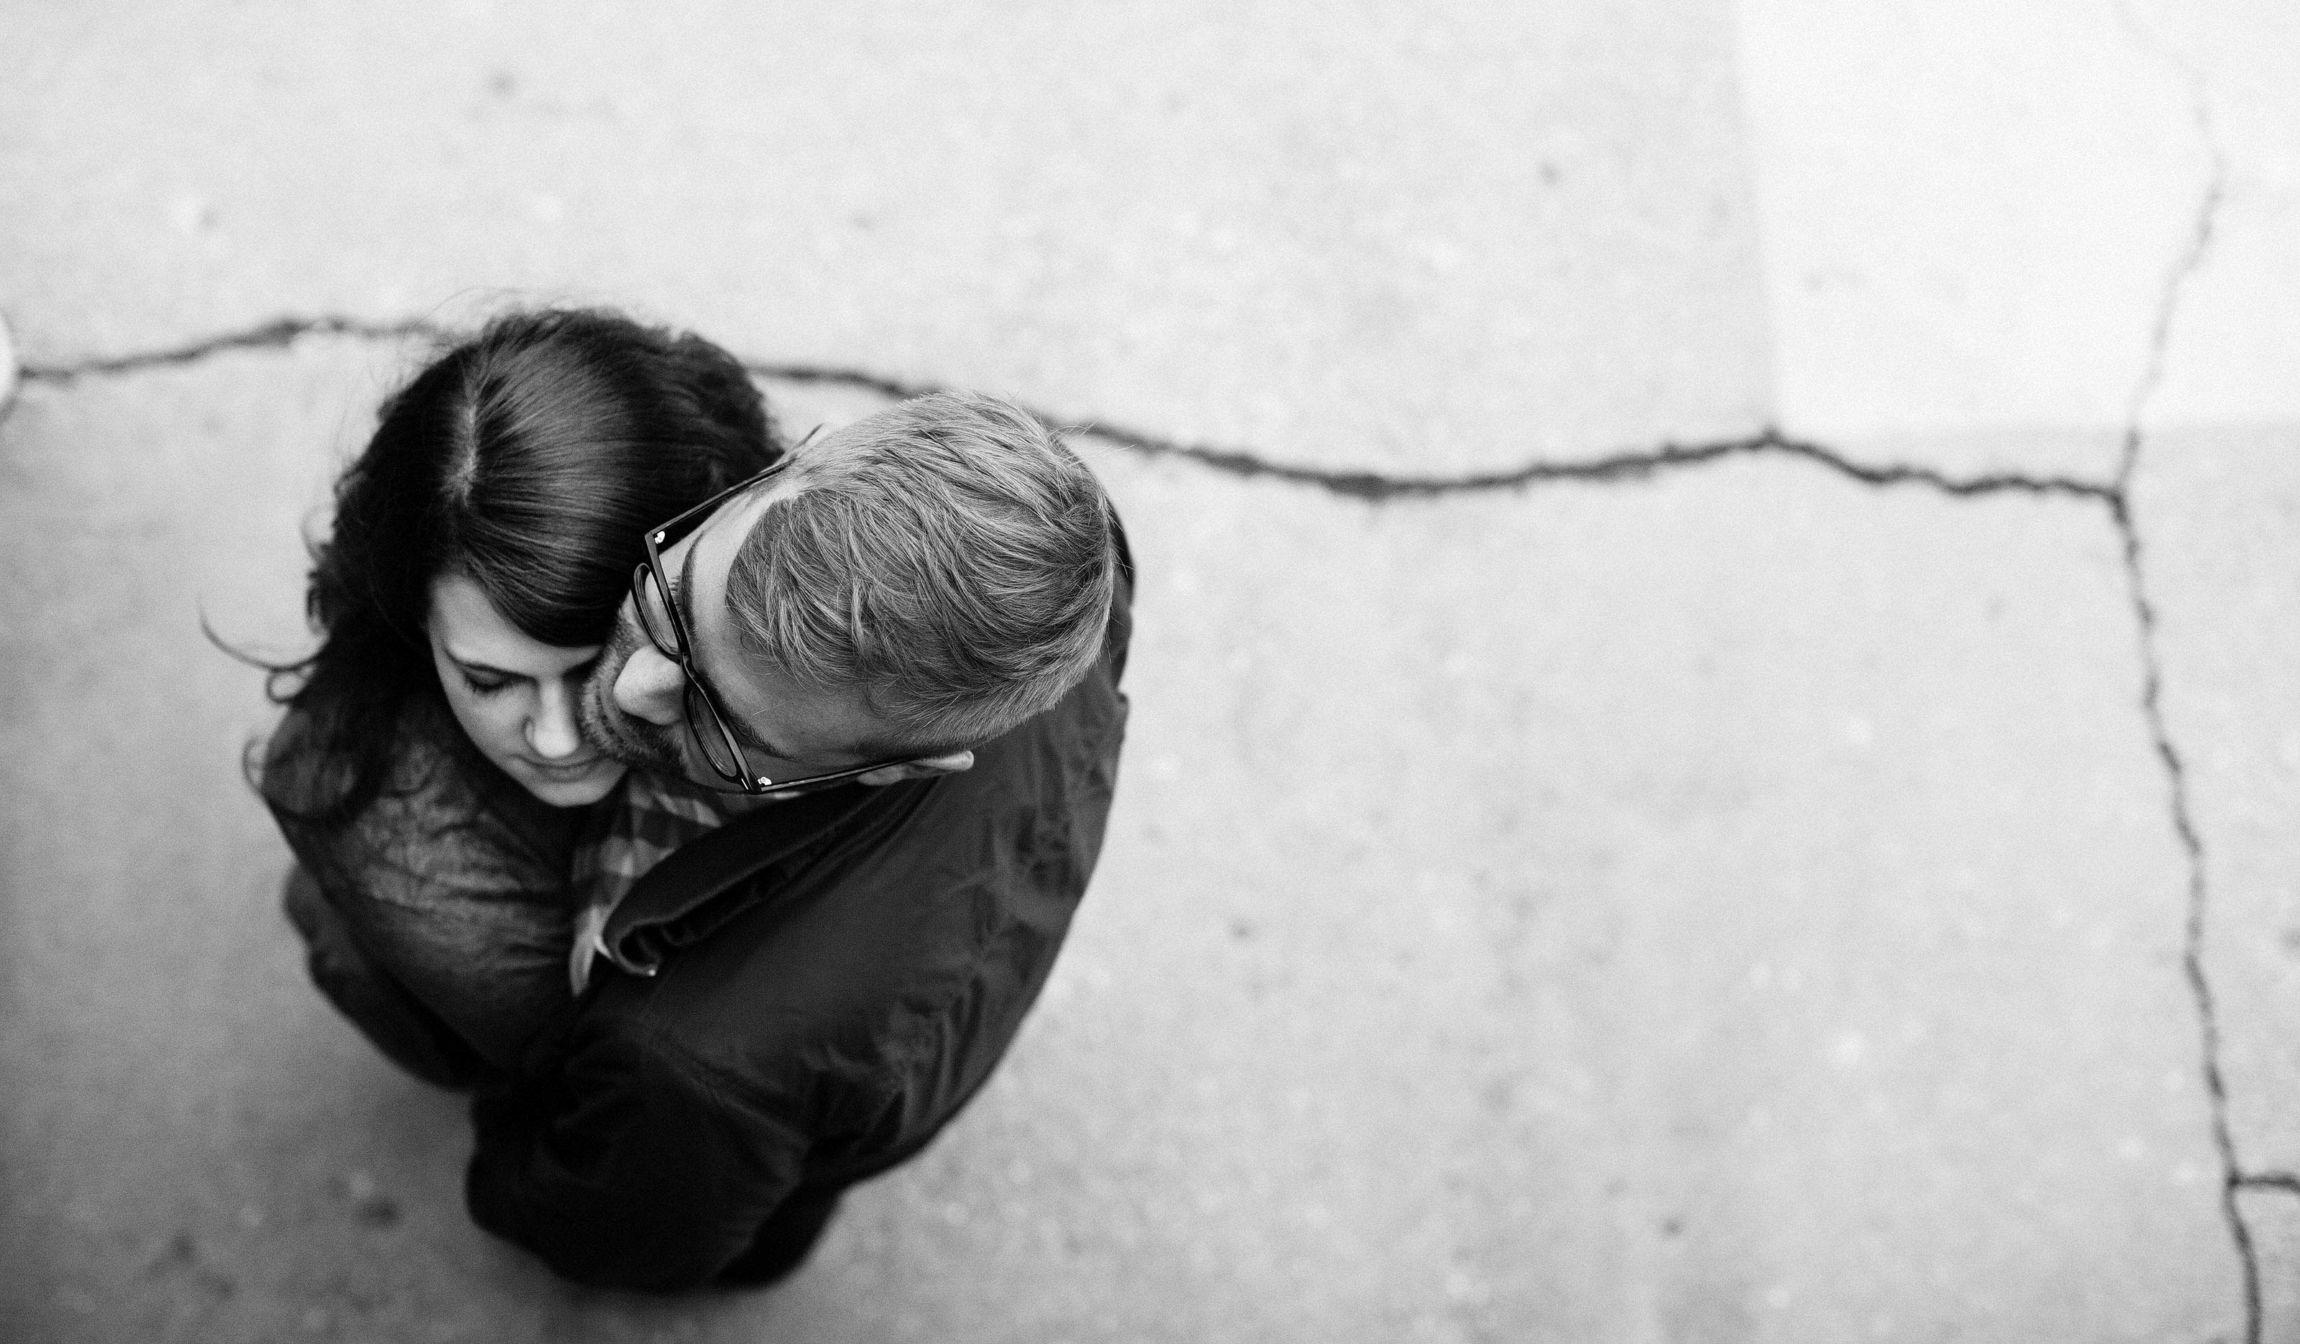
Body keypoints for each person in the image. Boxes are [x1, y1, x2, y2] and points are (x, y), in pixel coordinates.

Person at [462, 390, 1134, 1291]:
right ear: (792, 461)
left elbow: (595, 1229)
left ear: (906, 768)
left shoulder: (688, 1063)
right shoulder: (1064, 562)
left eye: (723, 728)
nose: (632, 691)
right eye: (671, 601)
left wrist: (501, 1157)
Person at [260, 308, 779, 1080]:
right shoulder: (402, 833)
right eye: (489, 681)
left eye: (597, 666)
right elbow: (588, 1079)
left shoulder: (776, 602)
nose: (559, 739)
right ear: (414, 625)